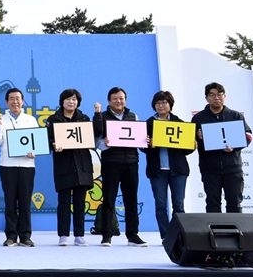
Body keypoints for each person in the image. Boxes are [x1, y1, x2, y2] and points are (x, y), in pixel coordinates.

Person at [93, 87, 147, 247]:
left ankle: (133, 235)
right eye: (115, 98)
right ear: (109, 100)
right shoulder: (102, 117)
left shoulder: (133, 116)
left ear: (125, 99)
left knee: (131, 200)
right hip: (111, 164)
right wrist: (106, 144)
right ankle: (107, 234)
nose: (118, 101)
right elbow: (97, 142)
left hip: (131, 163)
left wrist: (145, 141)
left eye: (121, 98)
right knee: (108, 200)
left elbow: (139, 138)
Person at [191, 82, 252, 213]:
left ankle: (235, 233)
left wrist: (234, 147)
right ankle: (215, 233)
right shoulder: (198, 118)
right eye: (212, 95)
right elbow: (191, 142)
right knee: (212, 204)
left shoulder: (235, 116)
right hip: (209, 168)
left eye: (219, 94)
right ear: (206, 98)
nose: (216, 97)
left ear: (225, 96)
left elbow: (248, 135)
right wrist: (197, 137)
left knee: (235, 204)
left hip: (233, 167)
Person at [142, 91, 193, 240]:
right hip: (157, 171)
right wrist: (148, 145)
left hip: (178, 170)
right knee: (160, 205)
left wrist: (192, 144)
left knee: (178, 205)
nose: (161, 105)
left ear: (170, 105)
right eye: (158, 103)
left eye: (164, 102)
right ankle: (166, 236)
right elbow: (142, 148)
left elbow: (187, 150)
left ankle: (179, 237)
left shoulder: (180, 123)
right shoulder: (148, 124)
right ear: (154, 105)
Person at [47, 89, 95, 247]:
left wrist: (98, 114)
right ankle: (63, 235)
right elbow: (47, 140)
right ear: (62, 101)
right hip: (64, 165)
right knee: (64, 202)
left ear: (78, 102)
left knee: (80, 202)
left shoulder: (84, 118)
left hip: (81, 165)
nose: (71, 102)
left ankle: (80, 235)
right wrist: (53, 144)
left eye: (74, 99)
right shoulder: (53, 119)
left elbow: (92, 137)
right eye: (68, 99)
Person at [0, 88, 39, 247]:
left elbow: (36, 142)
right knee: (10, 201)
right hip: (8, 166)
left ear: (22, 100)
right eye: (11, 99)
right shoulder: (1, 119)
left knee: (25, 202)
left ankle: (25, 235)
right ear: (6, 102)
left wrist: (34, 152)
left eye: (18, 98)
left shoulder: (31, 119)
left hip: (27, 166)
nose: (15, 102)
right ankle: (11, 235)